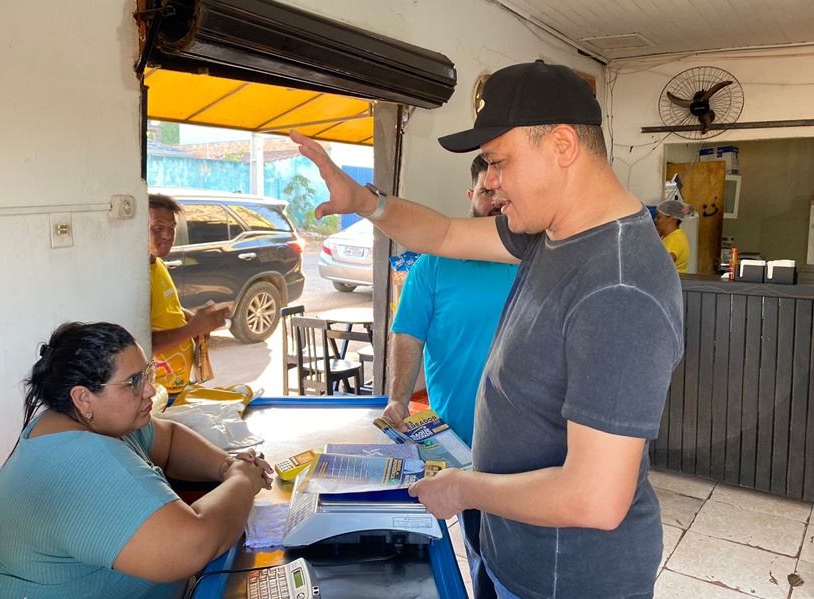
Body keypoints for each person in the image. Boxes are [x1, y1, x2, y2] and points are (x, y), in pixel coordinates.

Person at [290, 60, 683, 599]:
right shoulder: (554, 233)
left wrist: (462, 488)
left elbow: (595, 496)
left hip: (566, 580)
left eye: (499, 161)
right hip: (513, 551)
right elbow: (446, 233)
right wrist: (366, 202)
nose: (490, 181)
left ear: (563, 146)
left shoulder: (619, 286)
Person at [0, 322, 273, 599]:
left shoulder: (79, 421)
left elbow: (167, 439)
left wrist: (226, 465)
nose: (149, 390)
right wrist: (242, 481)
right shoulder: (80, 461)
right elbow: (192, 545)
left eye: (146, 373)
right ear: (83, 398)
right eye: (133, 381)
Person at [380, 154, 518, 599]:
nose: (495, 200)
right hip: (464, 445)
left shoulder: (539, 257)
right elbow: (407, 333)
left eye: (503, 191)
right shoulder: (436, 264)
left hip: (533, 449)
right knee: (482, 554)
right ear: (471, 197)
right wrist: (399, 398)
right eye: (486, 192)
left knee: (526, 558)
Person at [149, 193, 230, 392]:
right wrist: (192, 329)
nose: (167, 235)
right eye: (158, 228)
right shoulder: (135, 278)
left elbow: (167, 308)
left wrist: (191, 318)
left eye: (171, 229)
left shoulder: (157, 264)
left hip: (175, 386)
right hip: (157, 393)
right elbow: (143, 344)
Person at [654, 198, 696, 273]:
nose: (655, 220)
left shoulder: (674, 239)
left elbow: (662, 264)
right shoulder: (675, 235)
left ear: (671, 219)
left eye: (658, 217)